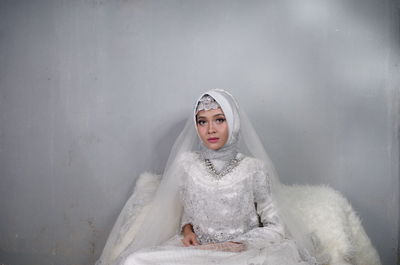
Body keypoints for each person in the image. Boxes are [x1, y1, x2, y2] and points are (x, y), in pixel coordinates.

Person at [96, 89, 320, 265]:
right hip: (196, 253)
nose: (210, 129)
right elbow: (188, 211)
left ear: (233, 122)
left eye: (219, 120)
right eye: (202, 121)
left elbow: (275, 226)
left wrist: (241, 243)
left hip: (241, 254)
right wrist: (187, 231)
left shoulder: (254, 168)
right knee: (134, 261)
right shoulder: (186, 164)